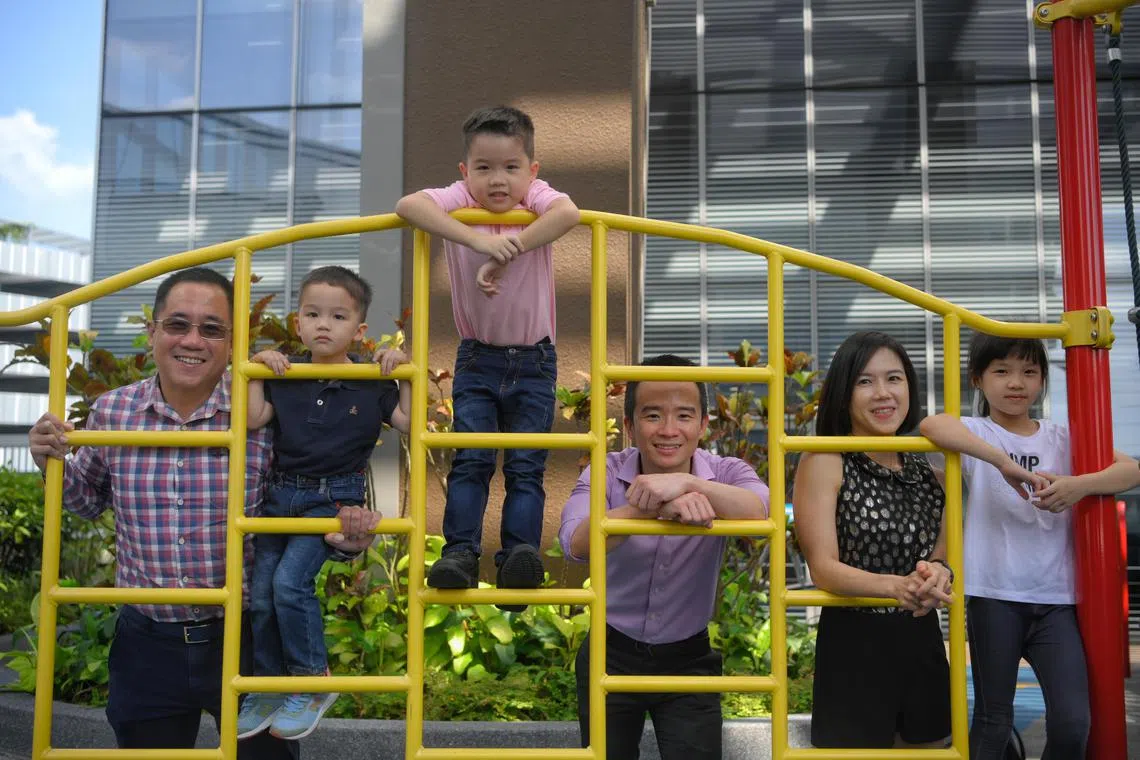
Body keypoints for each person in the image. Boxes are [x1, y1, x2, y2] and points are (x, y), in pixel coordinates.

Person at [27, 267, 380, 757]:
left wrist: (348, 538)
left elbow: (308, 497)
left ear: (233, 341)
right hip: (147, 641)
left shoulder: (265, 413)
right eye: (177, 324)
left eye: (212, 328)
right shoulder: (112, 412)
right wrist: (50, 462)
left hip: (248, 636)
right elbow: (86, 503)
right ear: (152, 332)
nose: (193, 340)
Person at [919, 334, 1140, 759]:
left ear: (1041, 381)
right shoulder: (977, 434)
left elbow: (1130, 470)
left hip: (1055, 601)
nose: (1016, 382)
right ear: (978, 380)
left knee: (1074, 721)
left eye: (1029, 372)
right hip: (993, 597)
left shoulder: (1061, 437)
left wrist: (1080, 486)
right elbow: (932, 425)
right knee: (992, 722)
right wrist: (1003, 461)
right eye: (1001, 371)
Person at [396, 105, 579, 603]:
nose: (498, 180)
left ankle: (520, 555)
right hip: (477, 358)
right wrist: (476, 239)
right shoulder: (461, 201)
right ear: (465, 172)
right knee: (471, 460)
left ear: (531, 171)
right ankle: (459, 552)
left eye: (511, 168)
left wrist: (512, 248)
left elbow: (569, 213)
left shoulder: (537, 200)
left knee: (526, 466)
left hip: (535, 362)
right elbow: (408, 205)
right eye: (484, 168)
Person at [558, 354, 770, 759]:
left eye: (685, 416)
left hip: (689, 656)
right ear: (630, 426)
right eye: (653, 416)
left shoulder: (724, 471)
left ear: (704, 425)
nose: (669, 430)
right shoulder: (603, 471)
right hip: (610, 651)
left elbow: (761, 508)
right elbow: (575, 543)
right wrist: (654, 506)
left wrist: (690, 484)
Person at [235, 266, 411, 741]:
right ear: (297, 323)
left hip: (334, 495)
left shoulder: (372, 379)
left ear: (358, 331)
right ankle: (269, 685)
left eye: (337, 316)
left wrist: (406, 369)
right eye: (312, 314)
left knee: (291, 584)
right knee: (262, 592)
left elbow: (410, 423)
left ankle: (312, 681)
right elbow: (253, 419)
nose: (322, 324)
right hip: (281, 493)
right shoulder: (287, 373)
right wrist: (257, 366)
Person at [792, 331, 953, 749]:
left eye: (894, 379)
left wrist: (937, 572)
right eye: (865, 381)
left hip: (921, 641)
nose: (883, 393)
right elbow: (822, 567)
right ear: (844, 393)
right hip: (854, 645)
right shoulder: (825, 459)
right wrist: (896, 586)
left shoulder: (928, 468)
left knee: (930, 752)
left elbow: (943, 554)